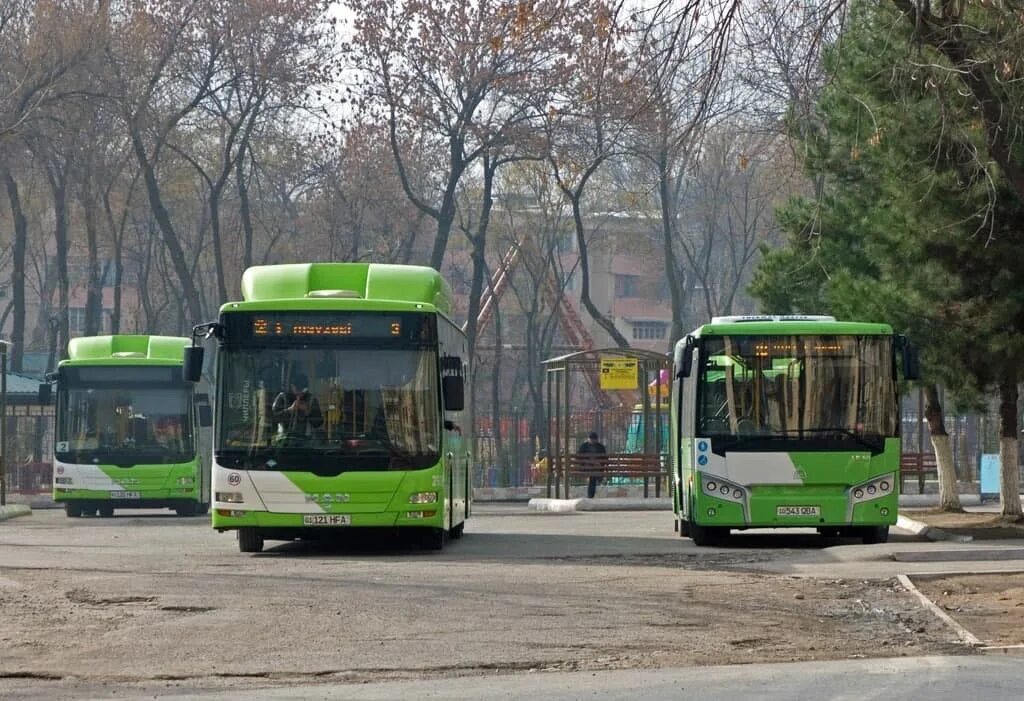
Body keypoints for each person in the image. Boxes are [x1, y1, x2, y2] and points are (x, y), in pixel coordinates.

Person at [272, 373, 323, 440]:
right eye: (297, 389)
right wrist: (290, 410)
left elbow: (318, 423)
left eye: (303, 390)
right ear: (292, 386)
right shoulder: (282, 397)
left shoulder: (312, 400)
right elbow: (273, 419)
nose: (300, 392)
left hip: (306, 441)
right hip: (283, 440)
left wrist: (308, 412)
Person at [578, 431, 607, 498]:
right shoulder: (584, 446)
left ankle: (590, 496)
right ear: (589, 439)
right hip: (586, 467)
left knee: (593, 477)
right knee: (593, 476)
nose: (593, 441)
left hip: (596, 468)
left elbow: (604, 458)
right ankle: (590, 495)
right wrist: (591, 462)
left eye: (594, 439)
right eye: (591, 439)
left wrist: (599, 463)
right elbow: (580, 457)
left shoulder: (600, 447)